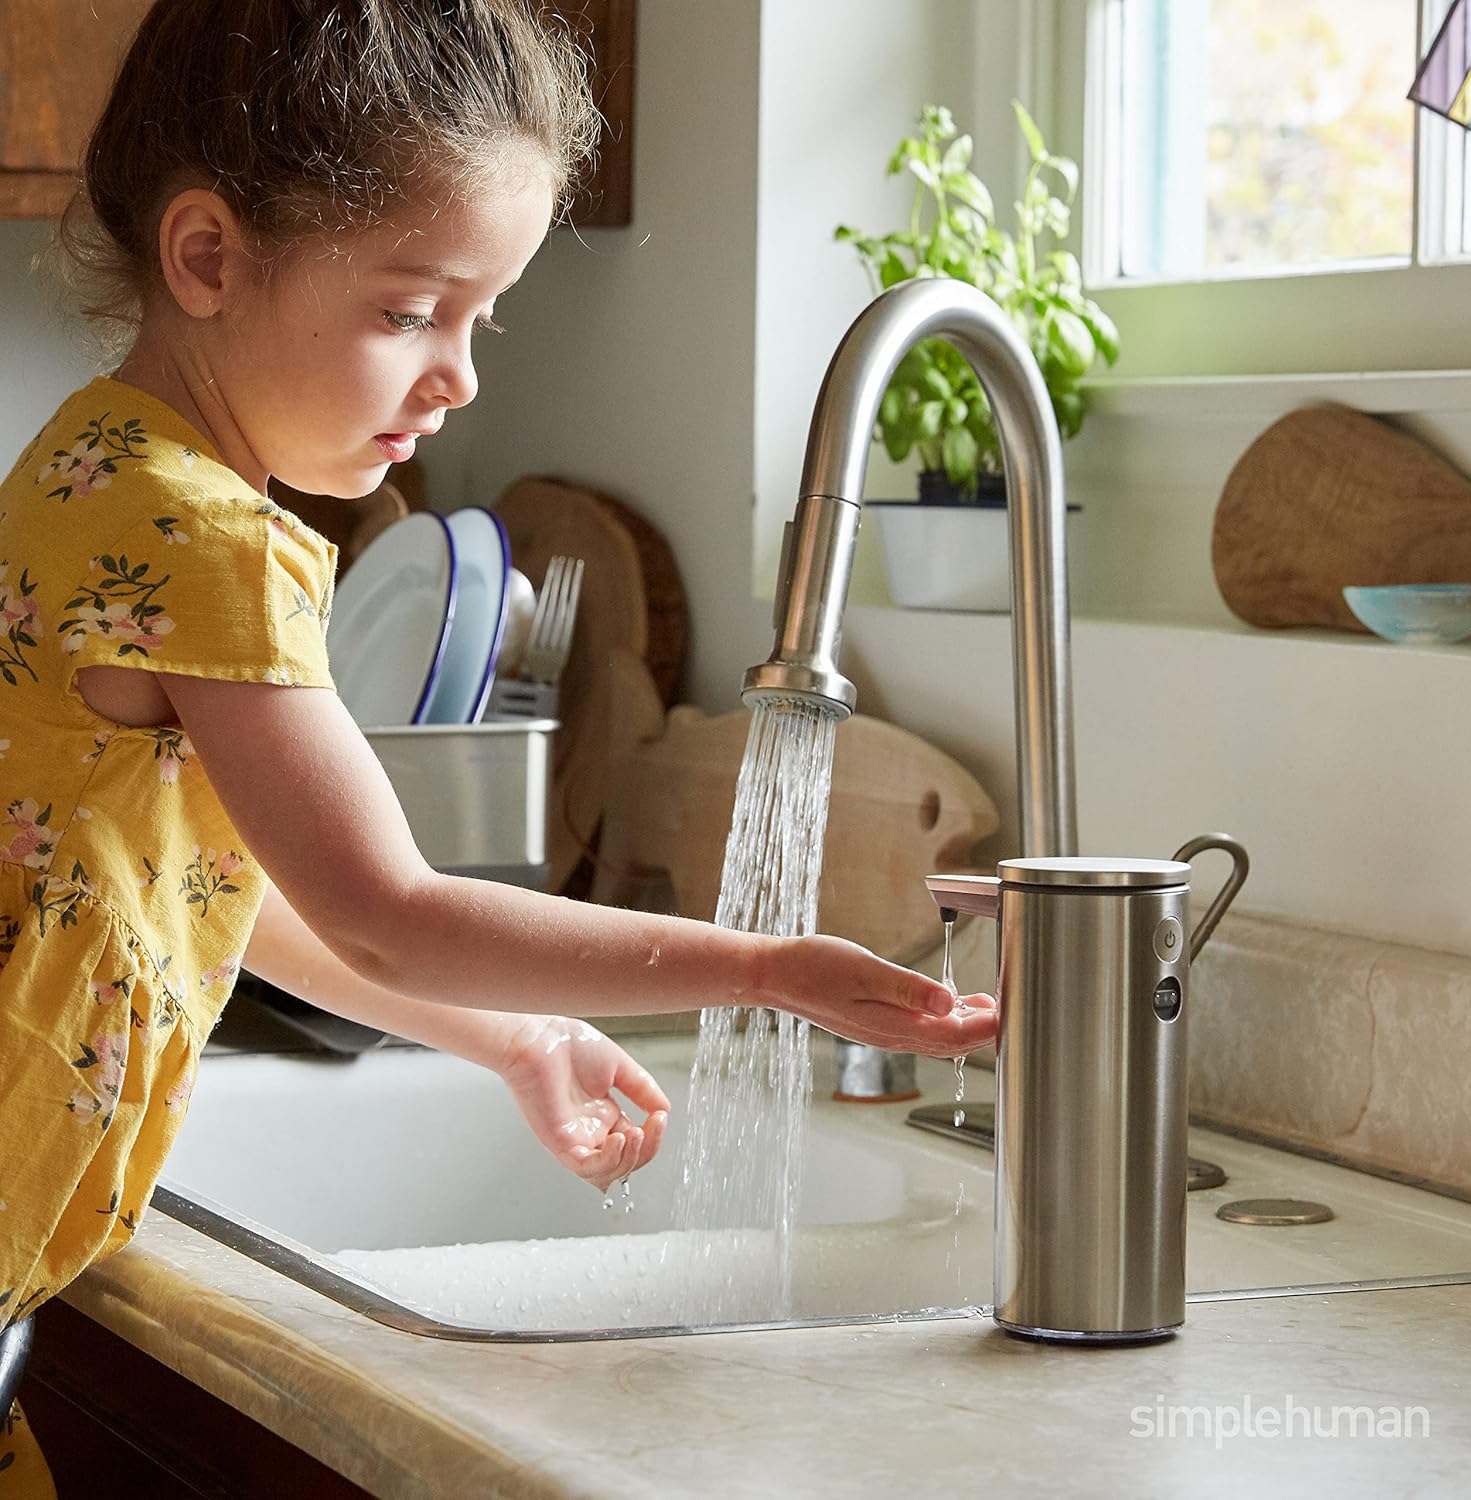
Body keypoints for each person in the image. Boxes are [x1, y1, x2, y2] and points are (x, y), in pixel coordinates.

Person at [0, 1, 995, 1491]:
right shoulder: (204, 534)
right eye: (410, 310)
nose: (459, 372)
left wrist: (507, 1031)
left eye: (482, 316)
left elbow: (206, 886)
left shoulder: (91, 460)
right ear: (209, 258)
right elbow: (388, 913)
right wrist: (768, 967)